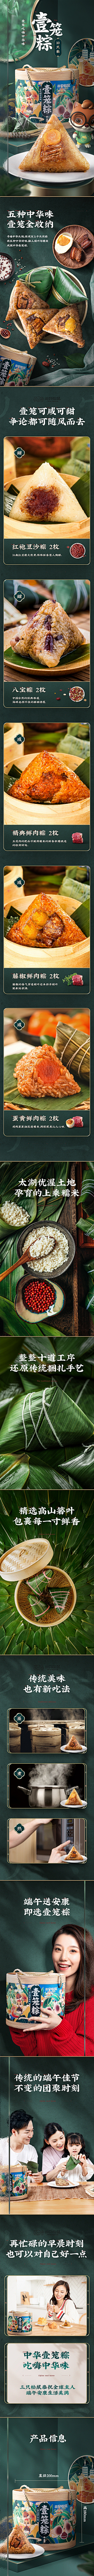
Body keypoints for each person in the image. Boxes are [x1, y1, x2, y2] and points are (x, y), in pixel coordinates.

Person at [10, 1924, 94, 2060]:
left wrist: (59, 2027)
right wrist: (18, 2021)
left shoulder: (92, 1998)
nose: (63, 1958)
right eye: (58, 1949)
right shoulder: (38, 1992)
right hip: (45, 2077)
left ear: (85, 1956)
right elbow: (35, 2054)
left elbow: (90, 2055)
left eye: (73, 1951)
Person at [0, 2111, 38, 2195]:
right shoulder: (1, 2147)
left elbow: (33, 2180)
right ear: (14, 2132)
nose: (31, 2135)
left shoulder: (32, 2151)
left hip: (24, 2195)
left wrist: (37, 2178)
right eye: (27, 2132)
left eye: (32, 2131)